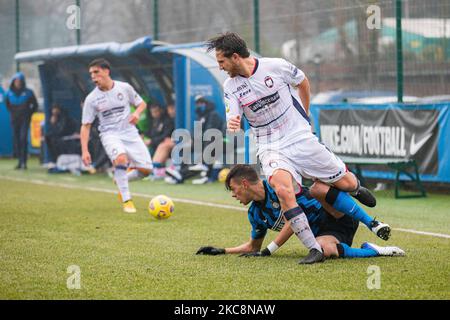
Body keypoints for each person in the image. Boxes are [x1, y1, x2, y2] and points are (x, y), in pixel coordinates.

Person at [206, 32, 381, 264]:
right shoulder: (231, 86)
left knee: (345, 182)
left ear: (235, 57)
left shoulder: (276, 66)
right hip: (270, 145)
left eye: (221, 62)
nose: (220, 67)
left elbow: (303, 82)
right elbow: (233, 113)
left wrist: (305, 115)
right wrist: (233, 122)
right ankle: (314, 249)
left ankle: (356, 188)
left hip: (298, 135)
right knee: (283, 190)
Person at [196, 165, 405, 263]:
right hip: (328, 232)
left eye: (233, 189)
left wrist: (269, 251)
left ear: (244, 183)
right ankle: (375, 250)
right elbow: (253, 246)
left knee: (317, 189)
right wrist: (222, 250)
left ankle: (371, 222)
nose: (233, 195)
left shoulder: (277, 186)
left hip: (337, 212)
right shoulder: (255, 214)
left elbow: (292, 220)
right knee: (325, 250)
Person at [80, 58, 152, 213]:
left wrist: (137, 114)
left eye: (96, 72)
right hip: (110, 134)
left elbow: (141, 104)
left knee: (146, 170)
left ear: (106, 71)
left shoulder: (124, 88)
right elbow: (85, 126)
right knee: (121, 159)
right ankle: (127, 200)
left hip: (130, 133)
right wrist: (85, 151)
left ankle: (120, 179)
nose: (93, 76)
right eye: (91, 73)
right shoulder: (91, 99)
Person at [165, 95, 226, 184]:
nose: (199, 105)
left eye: (201, 103)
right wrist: (192, 139)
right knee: (184, 146)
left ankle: (185, 173)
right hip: (202, 143)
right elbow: (196, 133)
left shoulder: (214, 114)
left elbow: (211, 131)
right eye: (197, 103)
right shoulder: (199, 117)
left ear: (206, 103)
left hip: (216, 143)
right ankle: (180, 172)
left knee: (210, 140)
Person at [5, 72, 38, 169]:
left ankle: (24, 162)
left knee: (23, 139)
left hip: (25, 119)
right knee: (16, 140)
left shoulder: (28, 93)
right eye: (16, 81)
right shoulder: (9, 93)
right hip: (15, 120)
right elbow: (8, 105)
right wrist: (13, 113)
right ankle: (19, 161)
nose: (17, 83)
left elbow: (35, 105)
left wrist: (29, 114)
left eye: (19, 81)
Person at [145, 103, 175, 179]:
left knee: (163, 145)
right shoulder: (154, 121)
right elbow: (150, 133)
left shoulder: (168, 121)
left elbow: (166, 136)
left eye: (156, 111)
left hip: (173, 143)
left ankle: (154, 170)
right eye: (152, 112)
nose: (154, 114)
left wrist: (151, 141)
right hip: (158, 143)